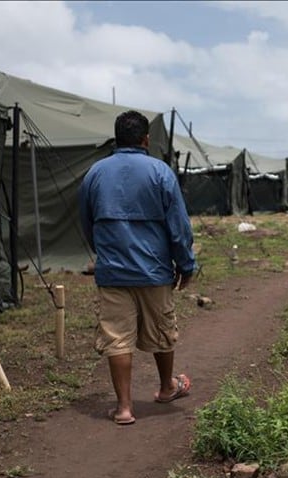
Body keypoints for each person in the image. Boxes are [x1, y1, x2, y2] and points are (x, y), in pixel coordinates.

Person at [79, 110, 196, 425]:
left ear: (117, 139)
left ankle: (124, 408)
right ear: (146, 140)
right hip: (154, 271)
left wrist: (104, 253)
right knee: (162, 330)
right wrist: (186, 264)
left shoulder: (94, 174)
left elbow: (87, 224)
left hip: (113, 272)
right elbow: (178, 226)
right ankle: (166, 387)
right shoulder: (160, 172)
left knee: (116, 337)